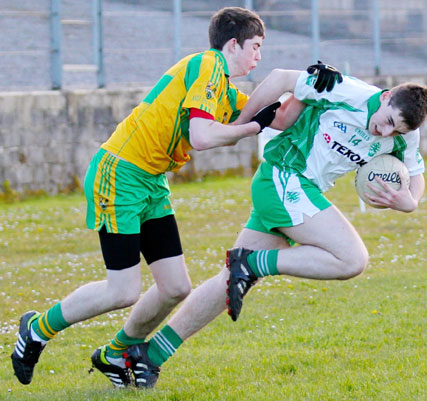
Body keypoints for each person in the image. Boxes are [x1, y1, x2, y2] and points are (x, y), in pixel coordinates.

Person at [10, 7, 340, 388]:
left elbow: (279, 118)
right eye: (256, 46)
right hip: (120, 174)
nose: (259, 57)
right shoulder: (207, 65)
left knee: (175, 288)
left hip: (150, 181)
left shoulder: (221, 88)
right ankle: (36, 329)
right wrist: (251, 127)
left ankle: (116, 355)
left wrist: (309, 86)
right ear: (232, 44)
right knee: (123, 290)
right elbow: (202, 137)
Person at [112, 68, 427, 387]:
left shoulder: (403, 133)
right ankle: (251, 264)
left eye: (396, 132)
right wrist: (239, 125)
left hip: (298, 190)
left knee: (228, 284)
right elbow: (280, 77)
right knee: (352, 260)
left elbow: (415, 173)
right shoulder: (348, 92)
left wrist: (410, 201)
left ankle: (146, 355)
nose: (385, 134)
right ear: (386, 97)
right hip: (283, 178)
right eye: (388, 122)